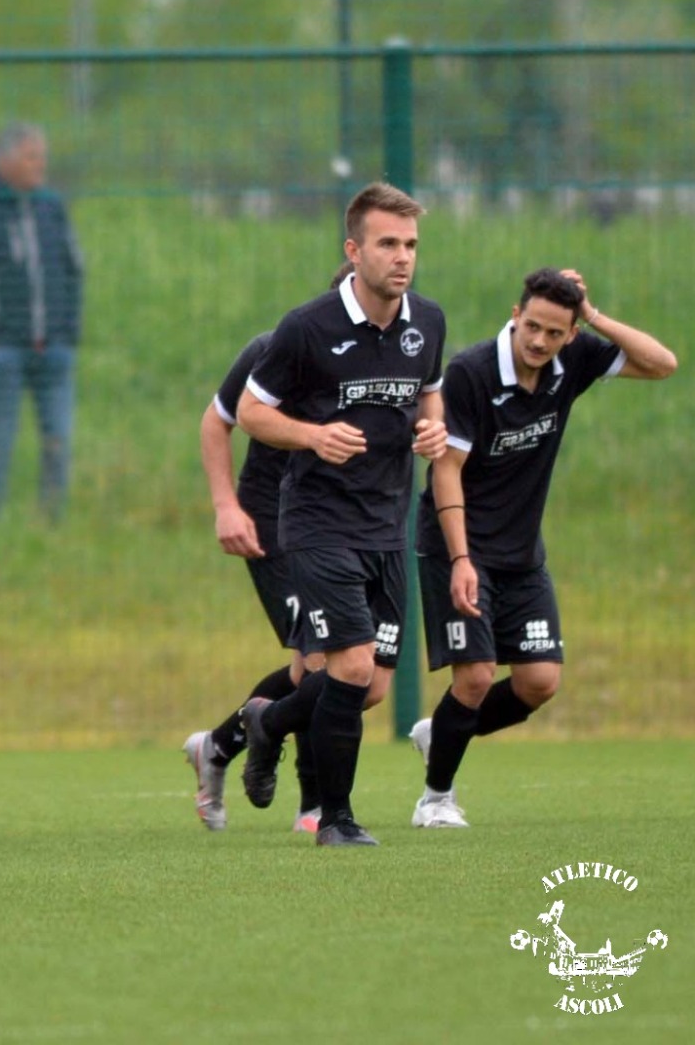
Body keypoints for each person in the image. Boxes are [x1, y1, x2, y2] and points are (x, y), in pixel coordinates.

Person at [409, 267, 676, 827]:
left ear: (571, 333)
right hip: (456, 544)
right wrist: (461, 560)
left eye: (555, 332)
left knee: (539, 682)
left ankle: (443, 730)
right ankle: (435, 799)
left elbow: (662, 364)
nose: (539, 341)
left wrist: (595, 314)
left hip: (522, 551)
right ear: (515, 314)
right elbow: (446, 470)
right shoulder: (472, 373)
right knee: (476, 676)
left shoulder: (570, 364)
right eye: (532, 326)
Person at [235, 182, 448, 847]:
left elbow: (430, 396)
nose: (402, 258)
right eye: (388, 243)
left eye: (410, 244)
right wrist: (313, 436)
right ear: (353, 250)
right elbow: (250, 412)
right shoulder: (309, 328)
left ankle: (266, 724)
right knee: (351, 667)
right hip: (318, 521)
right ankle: (337, 819)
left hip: (388, 522)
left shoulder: (428, 323)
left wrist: (433, 432)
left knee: (373, 686)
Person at [182, 262, 354, 836]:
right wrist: (226, 506)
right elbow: (216, 422)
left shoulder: (388, 358)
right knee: (321, 661)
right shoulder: (277, 346)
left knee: (341, 672)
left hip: (344, 524)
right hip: (275, 525)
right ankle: (314, 807)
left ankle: (220, 744)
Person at [0, 122, 81, 521]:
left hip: (54, 349)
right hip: (4, 352)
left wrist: (67, 331)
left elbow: (73, 272)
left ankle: (53, 520)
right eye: (30, 156)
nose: (40, 164)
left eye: (42, 156)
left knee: (58, 437)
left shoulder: (52, 208)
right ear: (5, 162)